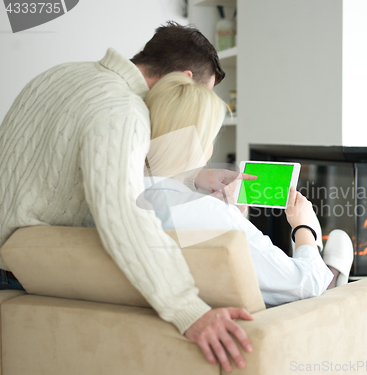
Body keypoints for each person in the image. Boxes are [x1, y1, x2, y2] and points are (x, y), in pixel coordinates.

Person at [0, 22, 255, 372]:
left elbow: (73, 167)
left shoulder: (61, 75)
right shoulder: (124, 111)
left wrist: (195, 176)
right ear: (182, 79)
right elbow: (122, 214)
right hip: (23, 275)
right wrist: (189, 310)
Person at [142, 73, 354, 309]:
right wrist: (303, 227)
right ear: (199, 146)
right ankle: (331, 279)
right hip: (268, 318)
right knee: (317, 277)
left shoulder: (127, 196)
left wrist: (223, 214)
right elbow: (306, 285)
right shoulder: (212, 215)